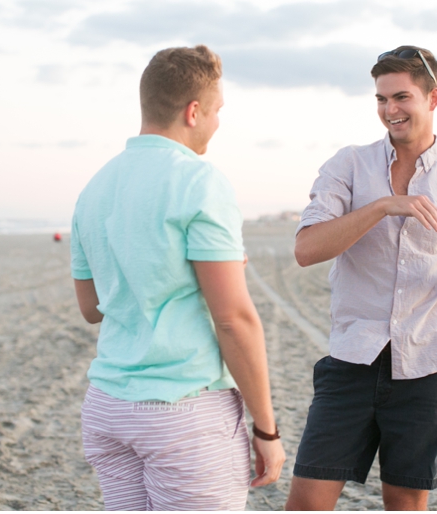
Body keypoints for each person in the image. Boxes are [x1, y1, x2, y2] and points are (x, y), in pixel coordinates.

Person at [70, 45, 285, 511]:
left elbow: (91, 308)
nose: (218, 122)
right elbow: (234, 320)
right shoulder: (198, 181)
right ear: (193, 111)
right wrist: (267, 429)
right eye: (217, 111)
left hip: (108, 407)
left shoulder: (94, 188)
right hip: (183, 411)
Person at [285, 46, 437, 511]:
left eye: (401, 97)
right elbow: (306, 250)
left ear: (432, 98)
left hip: (426, 369)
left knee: (404, 503)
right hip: (351, 362)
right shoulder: (349, 165)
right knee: (306, 503)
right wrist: (382, 206)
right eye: (381, 99)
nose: (389, 110)